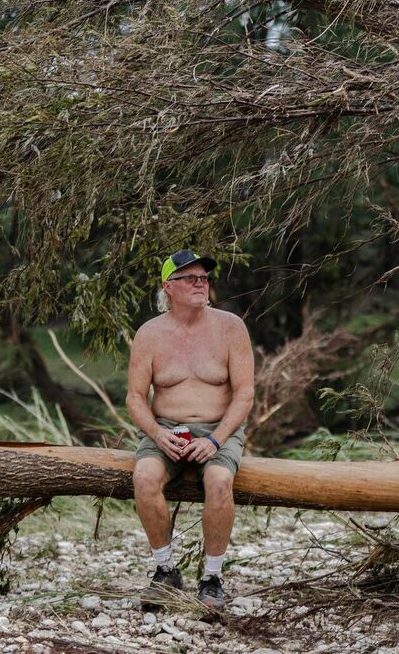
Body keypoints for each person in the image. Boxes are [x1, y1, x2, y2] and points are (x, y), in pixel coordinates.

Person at [126, 250, 255, 611]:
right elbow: (135, 397)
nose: (200, 283)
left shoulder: (231, 327)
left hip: (219, 428)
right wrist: (156, 434)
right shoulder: (149, 334)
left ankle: (212, 578)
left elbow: (245, 393)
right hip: (166, 428)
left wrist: (215, 440)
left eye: (204, 277)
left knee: (217, 481)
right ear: (168, 286)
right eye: (189, 278)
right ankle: (165, 570)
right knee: (145, 478)